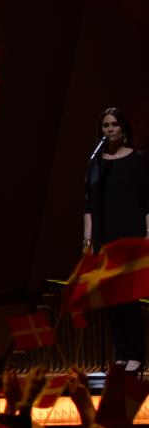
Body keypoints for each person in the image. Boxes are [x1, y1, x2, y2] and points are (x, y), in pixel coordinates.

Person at [83, 106, 148, 374]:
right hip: (104, 236)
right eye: (105, 125)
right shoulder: (96, 163)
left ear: (123, 128)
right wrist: (88, 239)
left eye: (114, 125)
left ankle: (136, 354)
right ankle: (120, 354)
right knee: (111, 298)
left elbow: (146, 200)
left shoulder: (137, 160)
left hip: (130, 233)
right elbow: (89, 203)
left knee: (128, 297)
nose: (109, 130)